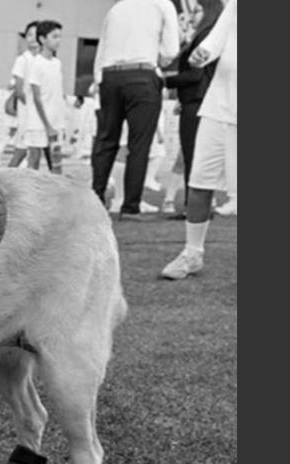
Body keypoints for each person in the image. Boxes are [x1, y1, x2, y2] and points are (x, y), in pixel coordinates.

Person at [161, 0, 236, 280]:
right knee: (199, 182)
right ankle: (192, 254)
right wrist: (202, 54)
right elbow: (217, 38)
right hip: (217, 106)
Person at [91, 0, 180, 219]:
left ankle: (95, 200)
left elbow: (102, 49)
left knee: (106, 140)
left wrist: (99, 79)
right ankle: (130, 206)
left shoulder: (116, 8)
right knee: (139, 145)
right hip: (142, 75)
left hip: (110, 76)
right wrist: (157, 58)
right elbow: (171, 50)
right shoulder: (163, 5)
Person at [163, 0, 223, 219]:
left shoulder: (205, 36)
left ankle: (195, 208)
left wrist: (165, 81)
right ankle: (198, 207)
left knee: (193, 157)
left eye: (197, 11)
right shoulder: (210, 36)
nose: (192, 16)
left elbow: (195, 74)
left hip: (197, 101)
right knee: (196, 157)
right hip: (198, 100)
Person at [24, 20, 66, 174]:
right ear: (42, 39)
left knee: (56, 165)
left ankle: (56, 189)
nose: (58, 40)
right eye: (54, 36)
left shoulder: (57, 63)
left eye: (60, 36)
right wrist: (47, 125)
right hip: (38, 123)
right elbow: (37, 98)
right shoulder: (36, 63)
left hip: (56, 122)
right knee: (33, 162)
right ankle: (28, 188)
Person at [6, 21, 39, 168]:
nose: (33, 38)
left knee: (35, 153)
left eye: (36, 34)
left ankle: (32, 180)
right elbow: (19, 91)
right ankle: (5, 178)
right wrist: (34, 108)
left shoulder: (41, 60)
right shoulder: (22, 60)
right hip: (27, 113)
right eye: (29, 35)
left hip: (38, 115)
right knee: (21, 151)